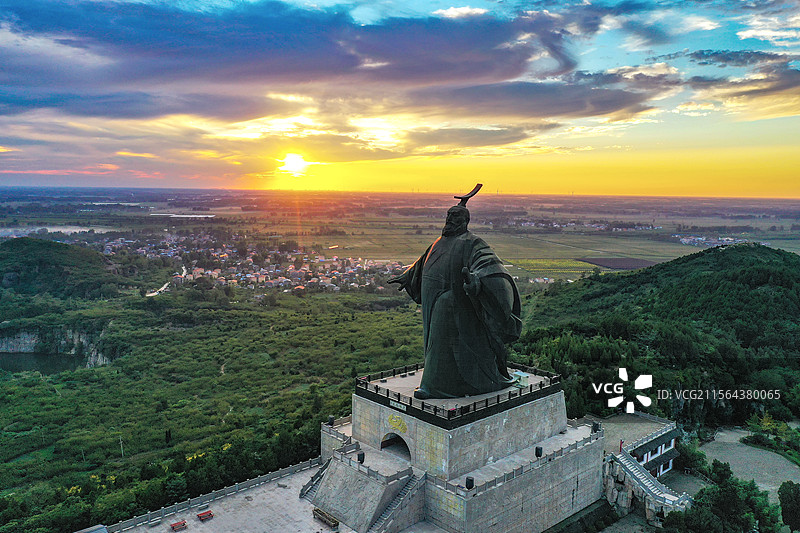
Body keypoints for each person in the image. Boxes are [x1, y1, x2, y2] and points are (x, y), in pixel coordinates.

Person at [388, 197, 522, 399]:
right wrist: (408, 276)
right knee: (433, 339)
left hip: (454, 303)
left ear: (465, 220)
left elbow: (490, 267)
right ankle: (439, 382)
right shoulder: (440, 242)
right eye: (448, 215)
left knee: (444, 341)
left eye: (455, 216)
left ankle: (434, 386)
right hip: (431, 299)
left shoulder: (472, 242)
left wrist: (476, 282)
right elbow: (423, 261)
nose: (450, 219)